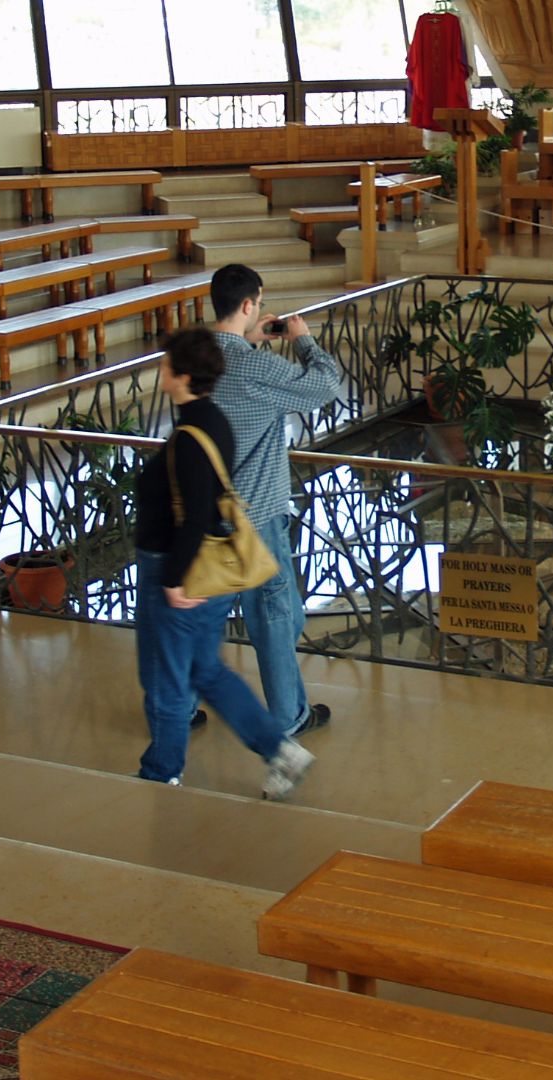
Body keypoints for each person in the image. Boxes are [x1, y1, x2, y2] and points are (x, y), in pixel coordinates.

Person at [132, 327, 314, 798]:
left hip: (181, 572)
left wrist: (174, 580)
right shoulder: (213, 420)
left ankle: (161, 773)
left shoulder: (192, 436)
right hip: (209, 574)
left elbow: (194, 516)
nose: (161, 369)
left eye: (167, 363)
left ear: (182, 375)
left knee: (169, 681)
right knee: (204, 672)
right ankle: (279, 749)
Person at [208, 264, 344, 739]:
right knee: (274, 615)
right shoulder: (255, 366)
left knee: (201, 617)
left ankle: (176, 707)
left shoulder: (200, 356)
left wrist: (253, 340)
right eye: (259, 304)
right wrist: (303, 340)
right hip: (258, 513)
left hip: (208, 509)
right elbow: (327, 387)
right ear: (249, 305)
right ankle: (289, 717)